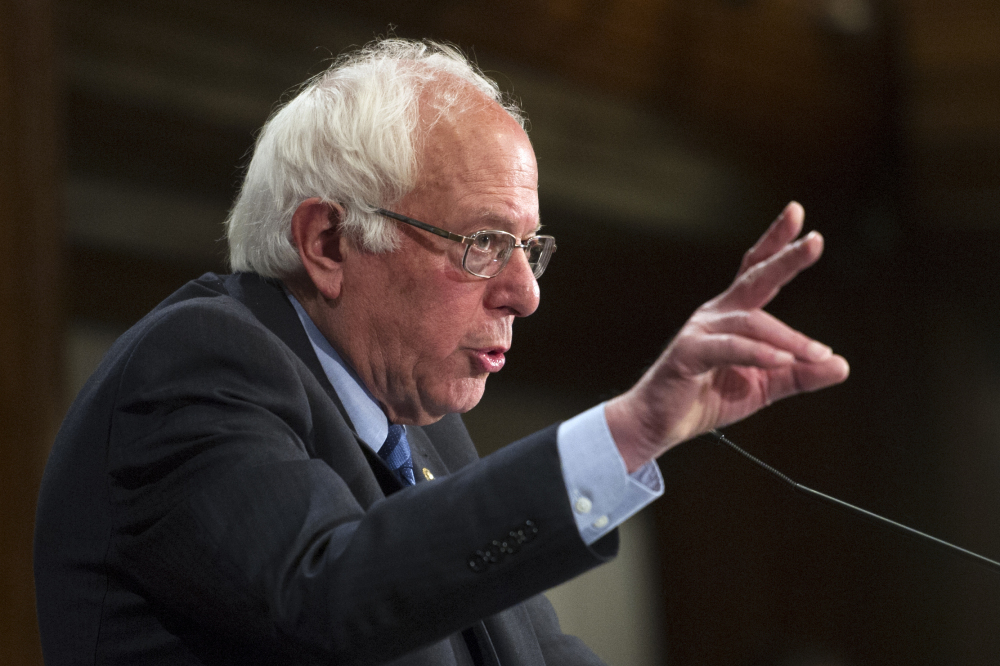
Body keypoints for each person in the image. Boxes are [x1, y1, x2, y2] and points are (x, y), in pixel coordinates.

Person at [33, 39, 849, 665]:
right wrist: (626, 434)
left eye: (531, 248)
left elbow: (533, 656)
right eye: (486, 242)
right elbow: (330, 595)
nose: (526, 293)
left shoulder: (417, 426)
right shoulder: (199, 365)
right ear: (328, 240)